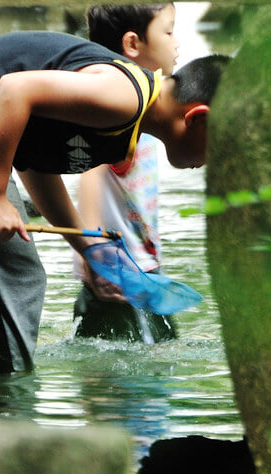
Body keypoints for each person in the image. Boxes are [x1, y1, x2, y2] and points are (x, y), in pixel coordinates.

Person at [0, 30, 229, 373]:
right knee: (0, 282)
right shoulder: (124, 98)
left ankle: (1, 387)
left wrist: (86, 247)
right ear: (199, 118)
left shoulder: (126, 122)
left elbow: (32, 161)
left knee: (21, 275)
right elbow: (14, 90)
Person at [74, 3, 180, 343]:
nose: (177, 42)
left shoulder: (143, 101)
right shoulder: (118, 105)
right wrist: (90, 250)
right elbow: (90, 171)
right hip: (116, 273)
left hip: (143, 268)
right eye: (168, 31)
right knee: (112, 383)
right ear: (133, 44)